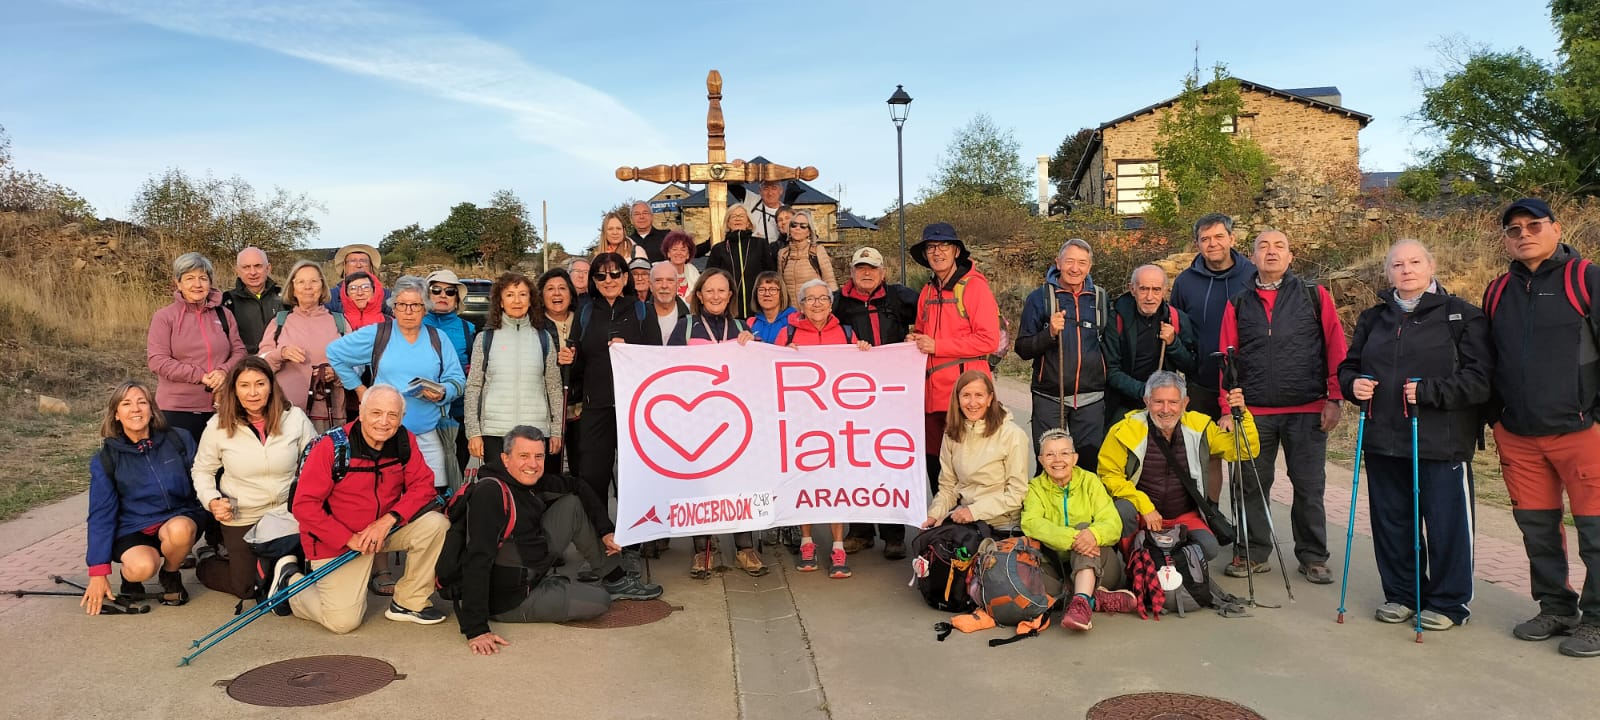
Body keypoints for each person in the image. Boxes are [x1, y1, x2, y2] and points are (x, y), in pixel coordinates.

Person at [1338, 239, 1491, 632]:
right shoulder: (1374, 318)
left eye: (1414, 262)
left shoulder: (1462, 316)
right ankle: (1403, 595)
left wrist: (1429, 392)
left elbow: (1480, 381)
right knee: (1393, 524)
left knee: (1446, 525)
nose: (1406, 270)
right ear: (1387, 273)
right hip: (1383, 440)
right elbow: (1349, 367)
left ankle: (1450, 602)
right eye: (1397, 264)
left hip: (1440, 442)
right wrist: (1353, 385)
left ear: (1431, 266)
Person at [1482, 198, 1600, 657]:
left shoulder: (1586, 278)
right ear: (1505, 240)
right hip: (1518, 436)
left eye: (1534, 225)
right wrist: (1496, 417)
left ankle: (1597, 620)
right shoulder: (1497, 291)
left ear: (1556, 228)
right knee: (1537, 530)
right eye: (1514, 229)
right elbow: (1487, 359)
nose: (1524, 234)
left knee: (1595, 533)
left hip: (1581, 432)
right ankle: (1555, 608)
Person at [455, 426, 664, 655]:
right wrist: (476, 629)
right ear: (505, 459)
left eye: (538, 456)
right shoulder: (489, 493)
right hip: (509, 599)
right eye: (523, 456)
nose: (532, 464)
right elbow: (476, 559)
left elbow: (578, 486)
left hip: (531, 561)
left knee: (571, 505)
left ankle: (615, 579)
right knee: (599, 601)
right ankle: (549, 589)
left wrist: (605, 531)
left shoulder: (528, 478)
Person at [1216, 229, 1348, 584]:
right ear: (1252, 257)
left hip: (1307, 408)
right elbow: (1227, 358)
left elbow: (1336, 347)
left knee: (1309, 486)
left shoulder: (1314, 296)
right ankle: (1253, 552)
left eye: (1279, 246)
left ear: (1291, 257)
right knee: (1250, 485)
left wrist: (1335, 398)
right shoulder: (1238, 303)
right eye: (1263, 246)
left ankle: (1313, 555)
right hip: (1253, 413)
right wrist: (1227, 407)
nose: (1271, 252)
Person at [276, 385, 452, 633]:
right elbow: (304, 506)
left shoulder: (404, 440)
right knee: (343, 622)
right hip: (336, 541)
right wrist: (348, 539)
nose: (384, 422)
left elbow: (423, 486)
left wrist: (388, 520)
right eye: (376, 413)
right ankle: (290, 584)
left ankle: (409, 602)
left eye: (392, 415)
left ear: (401, 417)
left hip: (381, 533)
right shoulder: (331, 446)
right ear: (360, 411)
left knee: (436, 524)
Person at [191, 357, 316, 600]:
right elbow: (202, 470)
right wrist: (212, 500)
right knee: (248, 588)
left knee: (293, 577)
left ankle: (274, 563)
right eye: (244, 385)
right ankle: (208, 559)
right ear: (234, 389)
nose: (253, 393)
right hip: (243, 514)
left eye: (260, 384)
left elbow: (315, 460)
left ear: (271, 385)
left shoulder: (295, 418)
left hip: (286, 512)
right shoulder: (218, 425)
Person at [1098, 371, 1258, 560]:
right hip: (1142, 515)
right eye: (1158, 402)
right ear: (1146, 401)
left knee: (1209, 549)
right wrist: (1144, 505)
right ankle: (1135, 560)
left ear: (1185, 403)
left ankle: (1164, 563)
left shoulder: (1200, 426)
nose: (1166, 409)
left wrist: (1243, 414)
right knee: (1123, 510)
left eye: (1173, 402)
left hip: (1184, 516)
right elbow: (1108, 475)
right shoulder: (1125, 430)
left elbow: (1245, 451)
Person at [326, 278, 466, 493]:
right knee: (389, 495)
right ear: (394, 307)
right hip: (385, 435)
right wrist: (360, 389)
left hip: (428, 434)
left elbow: (457, 379)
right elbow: (334, 353)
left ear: (425, 308)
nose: (408, 311)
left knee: (433, 495)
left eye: (415, 305)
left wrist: (443, 392)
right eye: (402, 305)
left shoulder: (438, 338)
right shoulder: (379, 334)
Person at [82, 381, 206, 614]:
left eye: (142, 402)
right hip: (133, 527)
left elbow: (203, 478)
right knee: (142, 567)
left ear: (152, 408)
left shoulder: (179, 439)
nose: (135, 409)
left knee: (181, 530)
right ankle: (131, 580)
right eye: (126, 404)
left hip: (177, 518)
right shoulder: (106, 459)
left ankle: (170, 573)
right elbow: (100, 515)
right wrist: (98, 572)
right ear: (116, 414)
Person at [778, 280, 871, 578]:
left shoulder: (845, 333)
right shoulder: (788, 333)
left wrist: (863, 350)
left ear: (831, 304)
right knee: (803, 479)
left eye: (823, 298)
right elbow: (768, 369)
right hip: (800, 421)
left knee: (835, 481)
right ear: (801, 304)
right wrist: (782, 354)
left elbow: (862, 371)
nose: (817, 304)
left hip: (836, 421)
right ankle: (807, 542)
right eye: (810, 299)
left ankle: (838, 546)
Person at [834, 246, 919, 560]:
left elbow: (931, 315)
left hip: (892, 393)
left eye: (872, 268)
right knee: (855, 460)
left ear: (883, 273)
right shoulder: (838, 302)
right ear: (852, 273)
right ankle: (860, 532)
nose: (866, 273)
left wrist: (917, 336)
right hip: (851, 395)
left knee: (890, 459)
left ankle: (893, 535)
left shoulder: (899, 297)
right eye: (860, 268)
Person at [905, 223, 1001, 496]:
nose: (937, 252)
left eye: (944, 246)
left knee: (967, 470)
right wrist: (915, 339)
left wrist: (937, 346)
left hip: (964, 396)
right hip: (930, 397)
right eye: (931, 247)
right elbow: (922, 332)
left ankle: (968, 522)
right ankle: (941, 520)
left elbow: (988, 341)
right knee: (935, 465)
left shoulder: (974, 288)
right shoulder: (927, 291)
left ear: (956, 251)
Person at [682, 270, 766, 577]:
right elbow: (666, 367)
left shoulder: (743, 327)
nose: (716, 296)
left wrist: (754, 345)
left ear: (730, 295)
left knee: (740, 480)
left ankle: (745, 547)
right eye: (710, 291)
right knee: (700, 484)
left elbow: (762, 368)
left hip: (736, 419)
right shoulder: (686, 325)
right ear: (699, 295)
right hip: (698, 418)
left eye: (722, 290)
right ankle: (703, 549)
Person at [1020, 428, 1138, 632]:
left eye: (1064, 453)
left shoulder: (1090, 481)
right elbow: (1032, 523)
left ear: (1075, 458)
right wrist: (1075, 539)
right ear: (1041, 460)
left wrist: (1092, 535)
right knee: (1030, 582)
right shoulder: (1036, 488)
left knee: (1086, 529)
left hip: (1100, 566)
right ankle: (1093, 599)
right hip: (1057, 569)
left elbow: (1112, 523)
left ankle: (1080, 604)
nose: (1058, 460)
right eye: (1050, 454)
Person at [1016, 238, 1109, 472]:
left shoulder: (1100, 299)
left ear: (1090, 266)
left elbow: (1109, 346)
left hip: (1091, 398)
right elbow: (1023, 348)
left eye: (1082, 263)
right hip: (1049, 397)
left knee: (1087, 469)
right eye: (1069, 261)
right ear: (1058, 262)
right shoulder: (1039, 298)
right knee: (1049, 466)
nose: (1075, 268)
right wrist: (1049, 334)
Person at [465, 272, 562, 475]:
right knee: (499, 490)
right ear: (500, 302)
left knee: (536, 490)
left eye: (522, 294)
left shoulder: (543, 338)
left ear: (531, 300)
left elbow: (554, 387)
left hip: (536, 433)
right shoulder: (485, 339)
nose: (517, 301)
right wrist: (473, 432)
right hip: (495, 433)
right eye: (510, 295)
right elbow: (473, 387)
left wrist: (556, 431)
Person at [146, 251, 248, 444]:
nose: (197, 284)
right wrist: (200, 376)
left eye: (203, 278)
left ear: (210, 283)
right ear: (178, 283)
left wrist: (224, 371)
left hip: (222, 405)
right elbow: (157, 360)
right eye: (189, 278)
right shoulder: (164, 317)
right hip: (177, 409)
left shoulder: (224, 314)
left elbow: (240, 351)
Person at [569, 253, 643, 514]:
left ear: (625, 277)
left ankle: (635, 532)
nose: (608, 280)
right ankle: (600, 531)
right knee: (592, 475)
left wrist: (630, 348)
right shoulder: (586, 311)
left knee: (635, 476)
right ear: (593, 280)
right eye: (600, 275)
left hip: (634, 408)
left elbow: (656, 356)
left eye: (614, 274)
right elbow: (577, 362)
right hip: (596, 406)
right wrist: (568, 358)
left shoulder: (641, 310)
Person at [922, 371, 1031, 539]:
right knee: (929, 544)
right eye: (966, 395)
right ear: (957, 399)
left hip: (1002, 524)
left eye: (979, 395)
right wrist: (934, 514)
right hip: (965, 519)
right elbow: (948, 486)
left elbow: (1017, 493)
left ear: (990, 399)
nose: (972, 403)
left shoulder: (1012, 435)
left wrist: (974, 511)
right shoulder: (952, 434)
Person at [1170, 213, 1256, 421]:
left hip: (1248, 384)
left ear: (1232, 239)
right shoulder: (1185, 282)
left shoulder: (1253, 277)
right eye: (1205, 239)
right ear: (1197, 244)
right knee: (1204, 441)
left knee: (1247, 441)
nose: (1212, 244)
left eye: (1219, 237)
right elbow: (1178, 328)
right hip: (1201, 384)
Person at [1104, 264, 1198, 428]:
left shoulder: (1176, 319)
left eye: (1156, 290)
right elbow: (1111, 370)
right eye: (1143, 289)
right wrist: (1147, 391)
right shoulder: (1116, 319)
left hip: (1164, 406)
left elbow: (1191, 366)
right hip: (1124, 403)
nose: (1149, 297)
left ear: (1165, 291)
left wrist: (1173, 343)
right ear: (1132, 289)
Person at [259, 260, 347, 432]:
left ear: (322, 286)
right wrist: (281, 353)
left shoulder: (339, 322)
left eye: (314, 281)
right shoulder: (280, 322)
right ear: (292, 287)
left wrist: (336, 373)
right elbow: (260, 365)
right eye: (301, 282)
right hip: (285, 414)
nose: (308, 287)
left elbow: (356, 366)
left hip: (329, 416)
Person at [423, 269, 477, 481]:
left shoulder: (468, 329)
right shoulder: (414, 325)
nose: (443, 295)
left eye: (450, 291)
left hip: (457, 410)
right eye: (436, 290)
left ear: (457, 299)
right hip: (423, 409)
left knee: (457, 464)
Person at [538, 269, 581, 475]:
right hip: (548, 411)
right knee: (550, 469)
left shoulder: (584, 320)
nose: (557, 293)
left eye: (562, 288)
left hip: (580, 409)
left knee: (582, 468)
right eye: (550, 289)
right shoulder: (536, 326)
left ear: (571, 293)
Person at [706, 205, 774, 319]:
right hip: (729, 308)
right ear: (728, 223)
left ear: (748, 222)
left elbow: (770, 274)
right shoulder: (718, 249)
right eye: (733, 216)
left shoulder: (760, 244)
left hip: (757, 306)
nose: (737, 218)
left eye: (741, 216)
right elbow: (709, 278)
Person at [221, 246, 282, 355]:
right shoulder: (226, 302)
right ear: (237, 270)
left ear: (268, 268)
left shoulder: (285, 298)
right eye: (246, 267)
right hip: (245, 362)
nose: (253, 272)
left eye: (258, 266)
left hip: (281, 360)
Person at [775, 209, 837, 305]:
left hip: (814, 308)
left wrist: (831, 306)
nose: (797, 228)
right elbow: (781, 286)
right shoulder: (783, 254)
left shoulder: (817, 251)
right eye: (794, 225)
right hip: (791, 311)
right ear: (790, 229)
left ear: (809, 232)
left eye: (803, 226)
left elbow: (830, 281)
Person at [325, 243, 391, 315]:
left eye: (363, 261)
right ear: (344, 267)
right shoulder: (331, 296)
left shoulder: (386, 296)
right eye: (353, 261)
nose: (359, 265)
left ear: (371, 267)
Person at [640, 262, 691, 347]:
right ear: (651, 286)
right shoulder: (638, 316)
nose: (664, 286)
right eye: (658, 281)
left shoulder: (692, 315)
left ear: (678, 285)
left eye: (670, 281)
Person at [745, 271, 796, 343]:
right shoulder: (751, 323)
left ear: (781, 294)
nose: (767, 294)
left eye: (773, 290)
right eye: (761, 290)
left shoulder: (794, 320)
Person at [661, 230, 700, 299]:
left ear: (688, 255)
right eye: (674, 249)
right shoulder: (661, 270)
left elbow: (699, 291)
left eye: (683, 250)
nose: (679, 253)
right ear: (668, 253)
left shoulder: (692, 270)